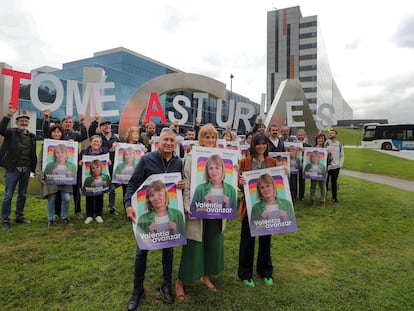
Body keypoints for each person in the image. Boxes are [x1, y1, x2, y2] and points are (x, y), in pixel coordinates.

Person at [124, 128, 185, 310]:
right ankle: (138, 290)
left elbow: (178, 187)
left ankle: (166, 285)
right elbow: (133, 184)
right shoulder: (146, 160)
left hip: (168, 214)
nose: (168, 143)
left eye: (171, 141)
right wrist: (128, 204)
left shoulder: (178, 162)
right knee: (141, 251)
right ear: (159, 141)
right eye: (165, 140)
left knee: (168, 250)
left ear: (175, 144)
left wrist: (182, 184)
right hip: (147, 214)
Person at [175, 124, 226, 301]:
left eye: (213, 137)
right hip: (197, 208)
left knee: (212, 242)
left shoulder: (223, 157)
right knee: (194, 245)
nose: (210, 140)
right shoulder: (192, 157)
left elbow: (226, 181)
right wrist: (188, 206)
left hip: (216, 208)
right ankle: (180, 281)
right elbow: (187, 183)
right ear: (200, 138)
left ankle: (205, 275)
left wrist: (235, 173)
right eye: (207, 137)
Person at [237, 132, 277, 287]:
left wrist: (284, 174)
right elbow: (238, 185)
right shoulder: (245, 162)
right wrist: (240, 183)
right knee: (247, 241)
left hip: (267, 208)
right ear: (253, 145)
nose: (261, 146)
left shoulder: (272, 162)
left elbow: (277, 182)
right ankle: (245, 273)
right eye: (258, 144)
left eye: (263, 143)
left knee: (266, 240)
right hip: (249, 207)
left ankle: (265, 271)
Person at [42, 109, 87, 219]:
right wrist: (46, 119)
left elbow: (84, 136)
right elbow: (47, 132)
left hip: (73, 167)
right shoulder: (59, 135)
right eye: (66, 122)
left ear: (73, 124)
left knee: (76, 190)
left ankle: (78, 211)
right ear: (62, 124)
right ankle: (57, 212)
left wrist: (82, 123)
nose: (68, 124)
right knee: (58, 189)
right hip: (58, 167)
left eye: (70, 122)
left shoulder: (76, 134)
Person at [0, 106, 37, 230]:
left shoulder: (32, 136)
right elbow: (1, 129)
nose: (24, 123)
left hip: (26, 169)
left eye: (26, 121)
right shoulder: (11, 133)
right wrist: (8, 115)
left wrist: (34, 168)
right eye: (21, 121)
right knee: (8, 195)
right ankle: (5, 220)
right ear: (17, 123)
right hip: (12, 169)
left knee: (22, 194)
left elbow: (33, 153)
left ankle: (19, 216)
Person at [36, 124, 73, 227]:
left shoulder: (67, 144)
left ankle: (64, 217)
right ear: (51, 133)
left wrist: (71, 144)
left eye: (58, 132)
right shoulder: (46, 145)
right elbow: (40, 161)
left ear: (62, 133)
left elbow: (72, 160)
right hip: (50, 177)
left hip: (65, 178)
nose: (56, 134)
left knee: (66, 198)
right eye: (54, 132)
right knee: (51, 198)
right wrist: (39, 174)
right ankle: (51, 219)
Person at [88, 114, 121, 215]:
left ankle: (112, 208)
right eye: (104, 125)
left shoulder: (116, 138)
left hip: (112, 165)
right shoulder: (99, 137)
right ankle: (96, 209)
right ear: (101, 127)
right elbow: (91, 132)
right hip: (100, 166)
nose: (107, 126)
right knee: (98, 186)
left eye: (109, 125)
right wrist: (95, 122)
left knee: (112, 188)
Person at [79, 135, 111, 224]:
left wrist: (109, 162)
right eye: (95, 141)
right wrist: (80, 163)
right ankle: (89, 215)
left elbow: (109, 163)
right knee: (89, 196)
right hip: (89, 180)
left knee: (99, 196)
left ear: (100, 143)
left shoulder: (104, 153)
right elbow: (79, 162)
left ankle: (98, 214)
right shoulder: (84, 152)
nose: (96, 143)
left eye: (98, 142)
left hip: (100, 180)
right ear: (90, 142)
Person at [324, 128, 344, 203]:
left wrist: (340, 165)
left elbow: (342, 155)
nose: (330, 134)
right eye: (330, 133)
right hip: (328, 166)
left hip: (336, 167)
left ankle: (334, 198)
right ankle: (324, 197)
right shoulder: (327, 143)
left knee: (334, 182)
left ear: (336, 135)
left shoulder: (339, 144)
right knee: (325, 182)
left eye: (332, 133)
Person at [309, 133, 328, 208]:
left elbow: (330, 160)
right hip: (313, 170)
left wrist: (329, 154)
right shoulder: (312, 148)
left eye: (322, 138)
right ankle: (312, 200)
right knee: (313, 185)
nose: (320, 140)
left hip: (323, 170)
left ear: (324, 140)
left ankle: (323, 200)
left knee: (322, 186)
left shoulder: (326, 148)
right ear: (316, 139)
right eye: (319, 138)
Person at [297, 129, 312, 201]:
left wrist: (305, 150)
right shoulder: (294, 143)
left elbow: (311, 151)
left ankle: (301, 196)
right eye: (299, 135)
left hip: (303, 164)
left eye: (302, 135)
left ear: (304, 135)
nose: (301, 136)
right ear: (297, 135)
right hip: (295, 164)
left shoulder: (307, 144)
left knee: (302, 180)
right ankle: (293, 194)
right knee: (293, 180)